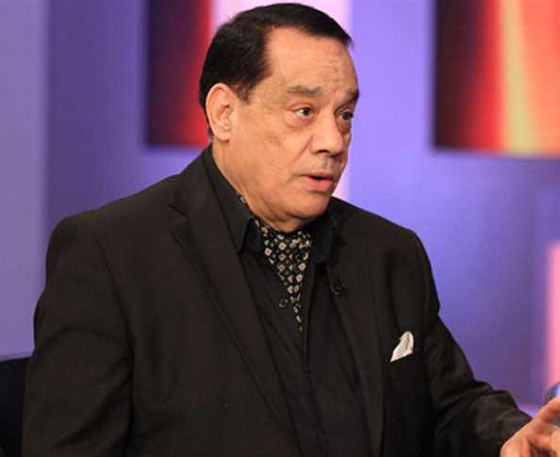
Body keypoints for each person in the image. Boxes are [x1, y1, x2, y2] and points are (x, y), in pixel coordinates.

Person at [23, 3, 560, 457]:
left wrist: (510, 439)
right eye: (304, 111)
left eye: (344, 114)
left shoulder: (389, 253)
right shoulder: (112, 256)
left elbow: (448, 404)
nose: (333, 140)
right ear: (224, 112)